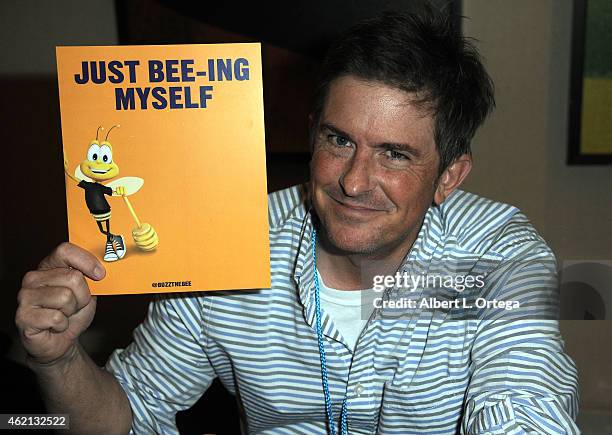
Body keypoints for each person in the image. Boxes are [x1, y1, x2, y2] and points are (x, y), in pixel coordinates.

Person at [15, 7, 579, 435]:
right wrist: (60, 359)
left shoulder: (500, 256)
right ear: (313, 133)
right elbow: (129, 414)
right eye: (339, 140)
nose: (353, 181)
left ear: (450, 176)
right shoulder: (226, 239)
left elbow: (526, 402)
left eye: (395, 154)